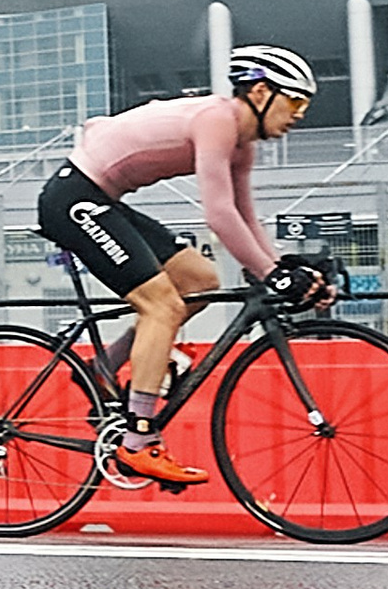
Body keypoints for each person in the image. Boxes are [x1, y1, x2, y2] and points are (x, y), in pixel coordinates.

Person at [37, 45, 336, 487]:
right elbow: (218, 215)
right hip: (73, 199)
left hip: (100, 198)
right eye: (295, 102)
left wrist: (283, 268)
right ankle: (138, 441)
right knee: (162, 307)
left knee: (200, 280)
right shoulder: (218, 121)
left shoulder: (241, 146)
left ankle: (104, 369)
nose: (300, 115)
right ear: (259, 92)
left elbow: (246, 217)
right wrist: (271, 274)